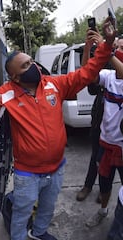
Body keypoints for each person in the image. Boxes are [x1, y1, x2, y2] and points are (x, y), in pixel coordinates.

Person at [0, 19, 116, 240]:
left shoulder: (53, 84)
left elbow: (87, 72)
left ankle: (39, 233)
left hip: (56, 169)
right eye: (26, 66)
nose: (34, 67)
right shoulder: (6, 93)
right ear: (15, 77)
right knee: (21, 213)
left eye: (32, 61)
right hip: (27, 174)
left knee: (47, 209)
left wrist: (107, 43)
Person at [85, 35, 123, 228]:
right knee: (105, 183)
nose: (118, 48)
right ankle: (103, 211)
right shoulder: (108, 76)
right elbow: (88, 74)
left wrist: (107, 46)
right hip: (106, 142)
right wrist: (87, 48)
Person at [76, 37, 106, 202]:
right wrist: (87, 49)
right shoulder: (106, 68)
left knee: (112, 159)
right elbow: (86, 74)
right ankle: (88, 185)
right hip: (99, 118)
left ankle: (105, 190)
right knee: (96, 154)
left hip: (118, 123)